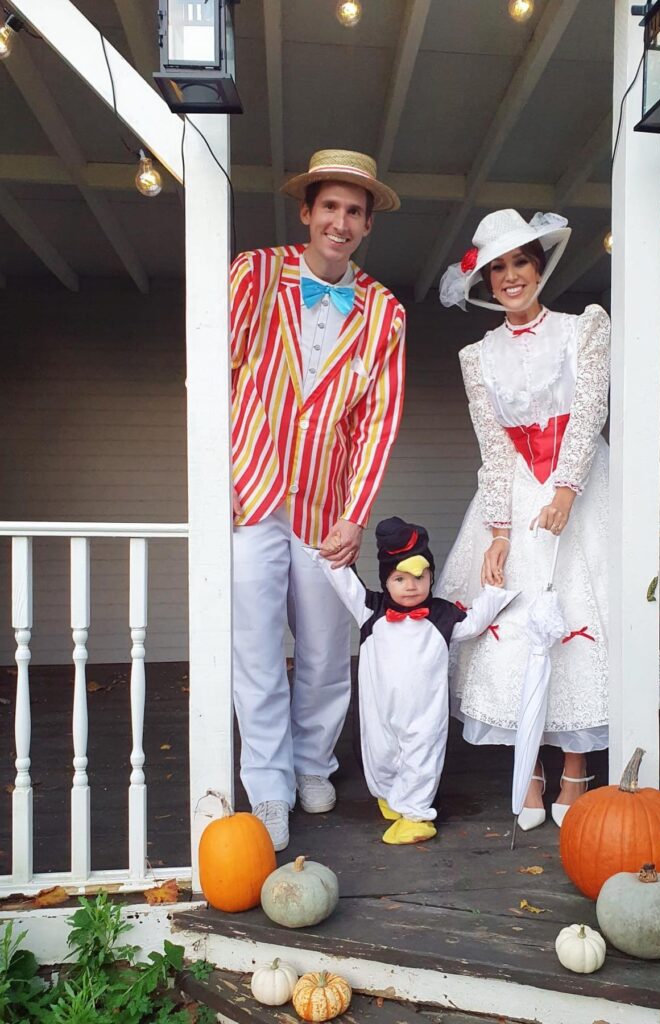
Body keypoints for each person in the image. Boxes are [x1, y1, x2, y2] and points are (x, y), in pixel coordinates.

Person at [436, 209, 660, 830]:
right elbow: (492, 447)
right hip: (516, 487)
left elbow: (591, 407)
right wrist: (499, 530)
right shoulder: (477, 355)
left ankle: (574, 769)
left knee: (580, 614)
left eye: (521, 262)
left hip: (583, 483)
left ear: (539, 267)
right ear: (486, 282)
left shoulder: (581, 329)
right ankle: (530, 769)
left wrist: (566, 489)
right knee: (514, 620)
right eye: (499, 269)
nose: (511, 277)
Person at [229, 150, 406, 851]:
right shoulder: (255, 274)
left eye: (353, 211)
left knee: (329, 648)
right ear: (306, 211)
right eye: (328, 206)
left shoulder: (384, 312)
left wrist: (353, 515)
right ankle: (268, 782)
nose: (339, 221)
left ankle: (312, 763)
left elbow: (377, 422)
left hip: (324, 507)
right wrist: (228, 468)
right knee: (255, 648)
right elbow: (219, 366)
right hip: (253, 493)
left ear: (366, 225)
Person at [310, 517, 516, 844]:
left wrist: (493, 593)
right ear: (385, 580)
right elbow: (343, 581)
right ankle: (391, 796)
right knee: (379, 753)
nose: (411, 585)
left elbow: (473, 624)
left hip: (424, 713)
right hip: (380, 709)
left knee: (421, 755)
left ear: (431, 577)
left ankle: (418, 814)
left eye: (421, 577)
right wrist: (332, 552)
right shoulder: (370, 611)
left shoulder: (442, 615)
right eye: (400, 578)